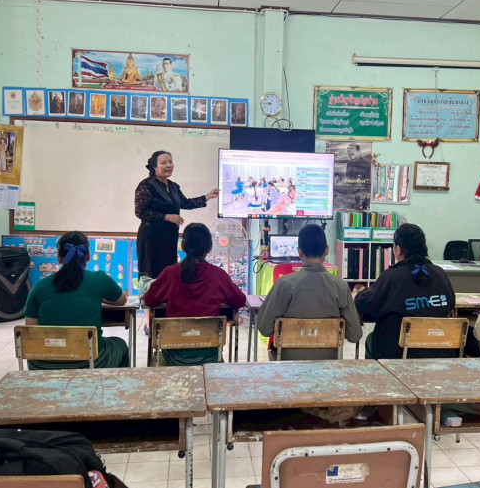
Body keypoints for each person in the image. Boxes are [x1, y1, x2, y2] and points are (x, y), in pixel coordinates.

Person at [24, 231, 129, 370]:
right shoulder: (100, 280)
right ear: (88, 255)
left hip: (42, 365)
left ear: (59, 257)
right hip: (90, 362)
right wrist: (101, 297)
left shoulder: (39, 287)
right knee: (120, 344)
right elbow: (122, 300)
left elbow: (31, 329)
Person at [144, 223, 246, 366]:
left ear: (183, 246)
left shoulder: (170, 273)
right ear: (209, 248)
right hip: (211, 356)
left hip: (174, 357)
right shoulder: (219, 275)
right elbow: (240, 301)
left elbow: (149, 300)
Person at [257, 224, 363, 361]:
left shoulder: (284, 285)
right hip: (329, 367)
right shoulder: (341, 287)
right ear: (326, 250)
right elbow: (355, 335)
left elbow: (264, 328)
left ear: (299, 252)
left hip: (289, 366)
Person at [355, 223, 456, 359]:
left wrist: (360, 293)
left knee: (371, 340)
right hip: (439, 351)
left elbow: (364, 304)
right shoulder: (440, 274)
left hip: (398, 354)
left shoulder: (392, 276)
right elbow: (451, 303)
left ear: (398, 250)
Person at [134, 150, 218, 278]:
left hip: (170, 236)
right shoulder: (146, 185)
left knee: (168, 273)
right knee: (151, 274)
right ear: (154, 167)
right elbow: (140, 212)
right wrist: (167, 217)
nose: (168, 165)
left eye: (170, 162)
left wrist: (208, 196)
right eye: (164, 163)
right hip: (151, 238)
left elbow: (186, 203)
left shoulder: (174, 186)